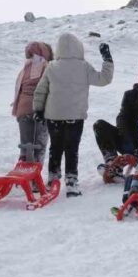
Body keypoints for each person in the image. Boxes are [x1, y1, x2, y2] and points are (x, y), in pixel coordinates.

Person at [33, 34, 114, 196]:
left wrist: (39, 109)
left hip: (53, 115)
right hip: (75, 117)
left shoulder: (52, 66)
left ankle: (53, 178)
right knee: (72, 148)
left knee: (55, 147)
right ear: (79, 48)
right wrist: (107, 59)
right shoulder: (83, 66)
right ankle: (71, 181)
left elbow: (41, 90)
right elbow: (103, 79)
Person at [12, 42, 53, 164]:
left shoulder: (24, 69)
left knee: (26, 145)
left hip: (23, 110)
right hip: (41, 110)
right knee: (39, 146)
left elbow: (18, 90)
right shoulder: (48, 67)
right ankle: (35, 174)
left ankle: (23, 166)